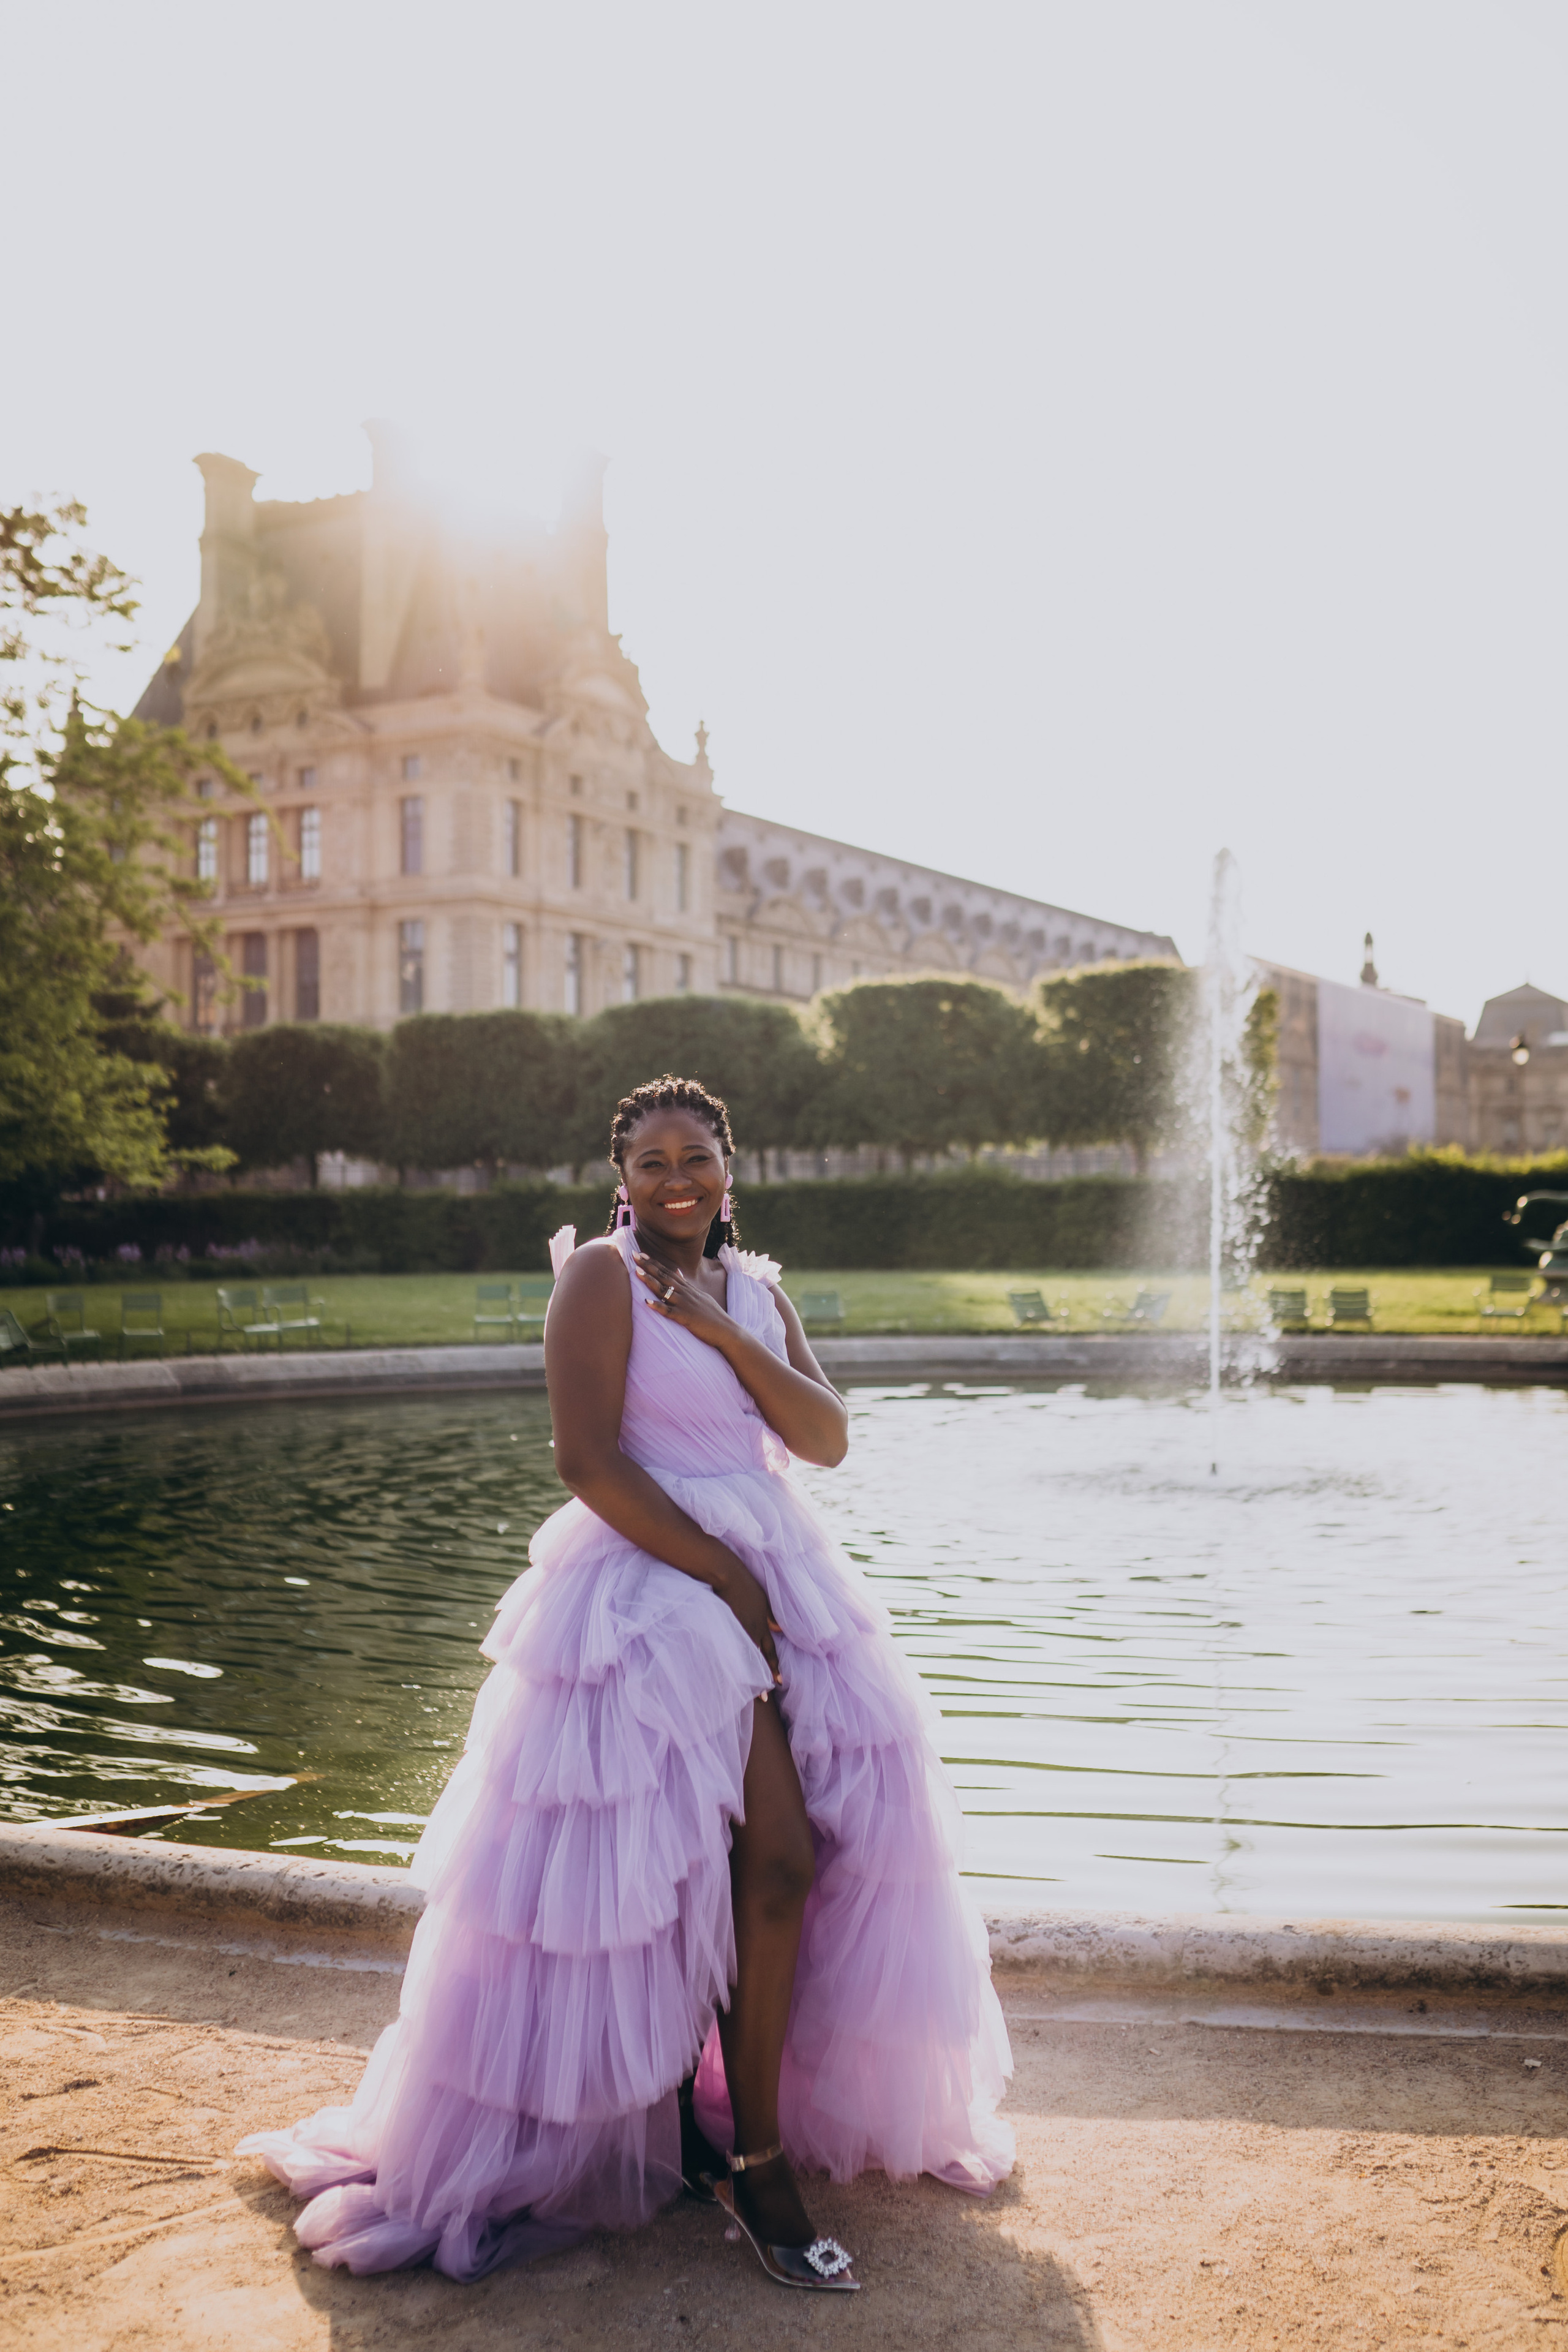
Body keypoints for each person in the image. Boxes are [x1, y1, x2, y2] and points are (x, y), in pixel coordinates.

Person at [239, 1074, 1012, 2292]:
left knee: (798, 1856)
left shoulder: (754, 1289)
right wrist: (722, 1584)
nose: (673, 1181)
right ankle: (748, 2163)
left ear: (725, 1168)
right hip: (650, 1584)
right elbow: (585, 1459)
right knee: (765, 1860)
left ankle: (724, 2135)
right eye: (649, 1162)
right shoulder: (596, 1279)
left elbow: (824, 1439)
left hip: (784, 1572)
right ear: (621, 1181)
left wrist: (719, 1328)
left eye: (692, 1157)